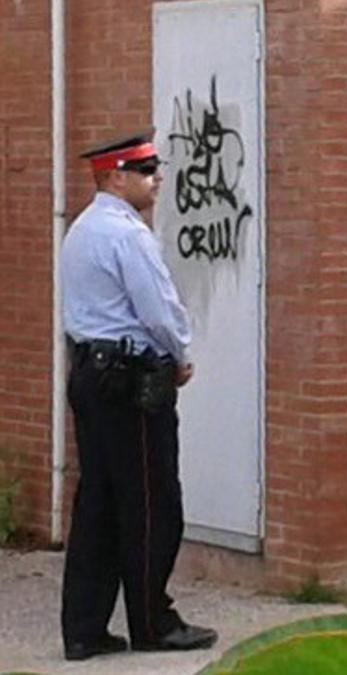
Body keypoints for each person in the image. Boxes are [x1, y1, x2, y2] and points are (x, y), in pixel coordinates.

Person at [60, 130, 218, 660]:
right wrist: (180, 354)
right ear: (114, 177)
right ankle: (153, 622)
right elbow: (156, 308)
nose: (156, 180)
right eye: (146, 171)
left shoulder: (82, 228)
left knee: (98, 504)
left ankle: (83, 629)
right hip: (130, 380)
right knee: (152, 503)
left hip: (90, 371)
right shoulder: (127, 235)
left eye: (157, 169)